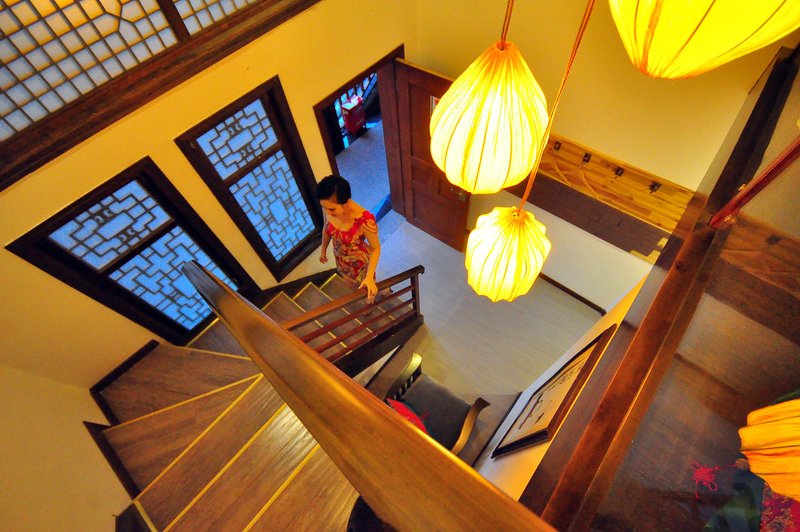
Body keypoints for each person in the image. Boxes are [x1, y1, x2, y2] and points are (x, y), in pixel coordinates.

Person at [316, 174, 381, 301]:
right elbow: (326, 228)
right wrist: (323, 250)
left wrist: (369, 277)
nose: (327, 212)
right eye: (324, 207)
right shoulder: (328, 208)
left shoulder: (364, 220)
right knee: (351, 285)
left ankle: (381, 293)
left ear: (346, 202)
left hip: (360, 264)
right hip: (341, 258)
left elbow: (376, 248)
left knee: (366, 293)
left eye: (331, 209)